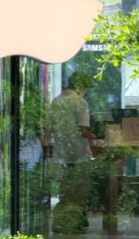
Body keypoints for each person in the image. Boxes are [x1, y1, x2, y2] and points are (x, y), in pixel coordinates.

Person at [47, 71, 96, 234]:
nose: (86, 91)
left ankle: (63, 222)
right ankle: (76, 221)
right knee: (79, 190)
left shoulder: (56, 101)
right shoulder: (80, 102)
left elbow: (51, 127)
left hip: (62, 153)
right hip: (79, 153)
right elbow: (83, 129)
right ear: (81, 85)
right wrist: (96, 137)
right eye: (86, 87)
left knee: (65, 189)